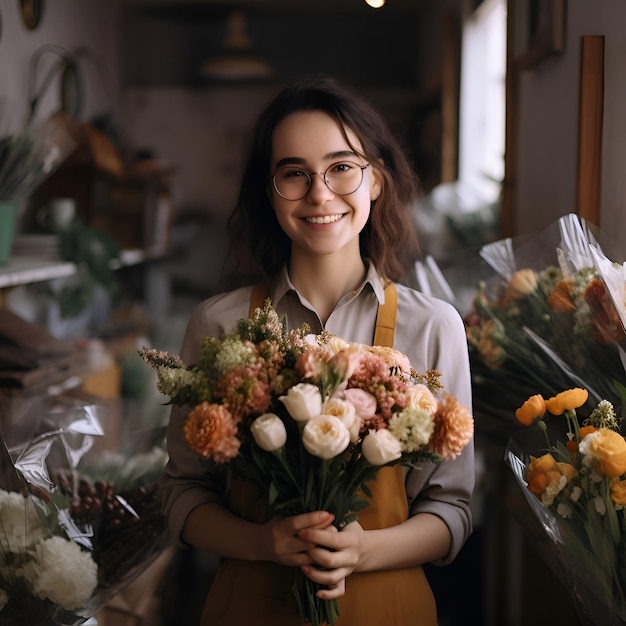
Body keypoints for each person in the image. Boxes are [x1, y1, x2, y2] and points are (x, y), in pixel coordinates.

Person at [160, 73, 474, 626]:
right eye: (294, 174)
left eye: (341, 168)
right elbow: (182, 493)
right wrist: (263, 543)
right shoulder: (219, 323)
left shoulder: (435, 327)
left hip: (390, 607)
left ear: (374, 180)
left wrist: (364, 551)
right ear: (269, 189)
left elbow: (454, 506)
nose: (320, 194)